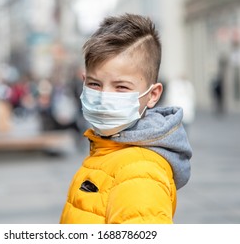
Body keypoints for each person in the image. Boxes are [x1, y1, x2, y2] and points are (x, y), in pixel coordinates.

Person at [60, 14, 192, 224]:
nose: (104, 98)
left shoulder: (140, 173)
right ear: (84, 81)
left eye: (121, 87)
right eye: (95, 84)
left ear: (153, 95)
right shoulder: (109, 147)